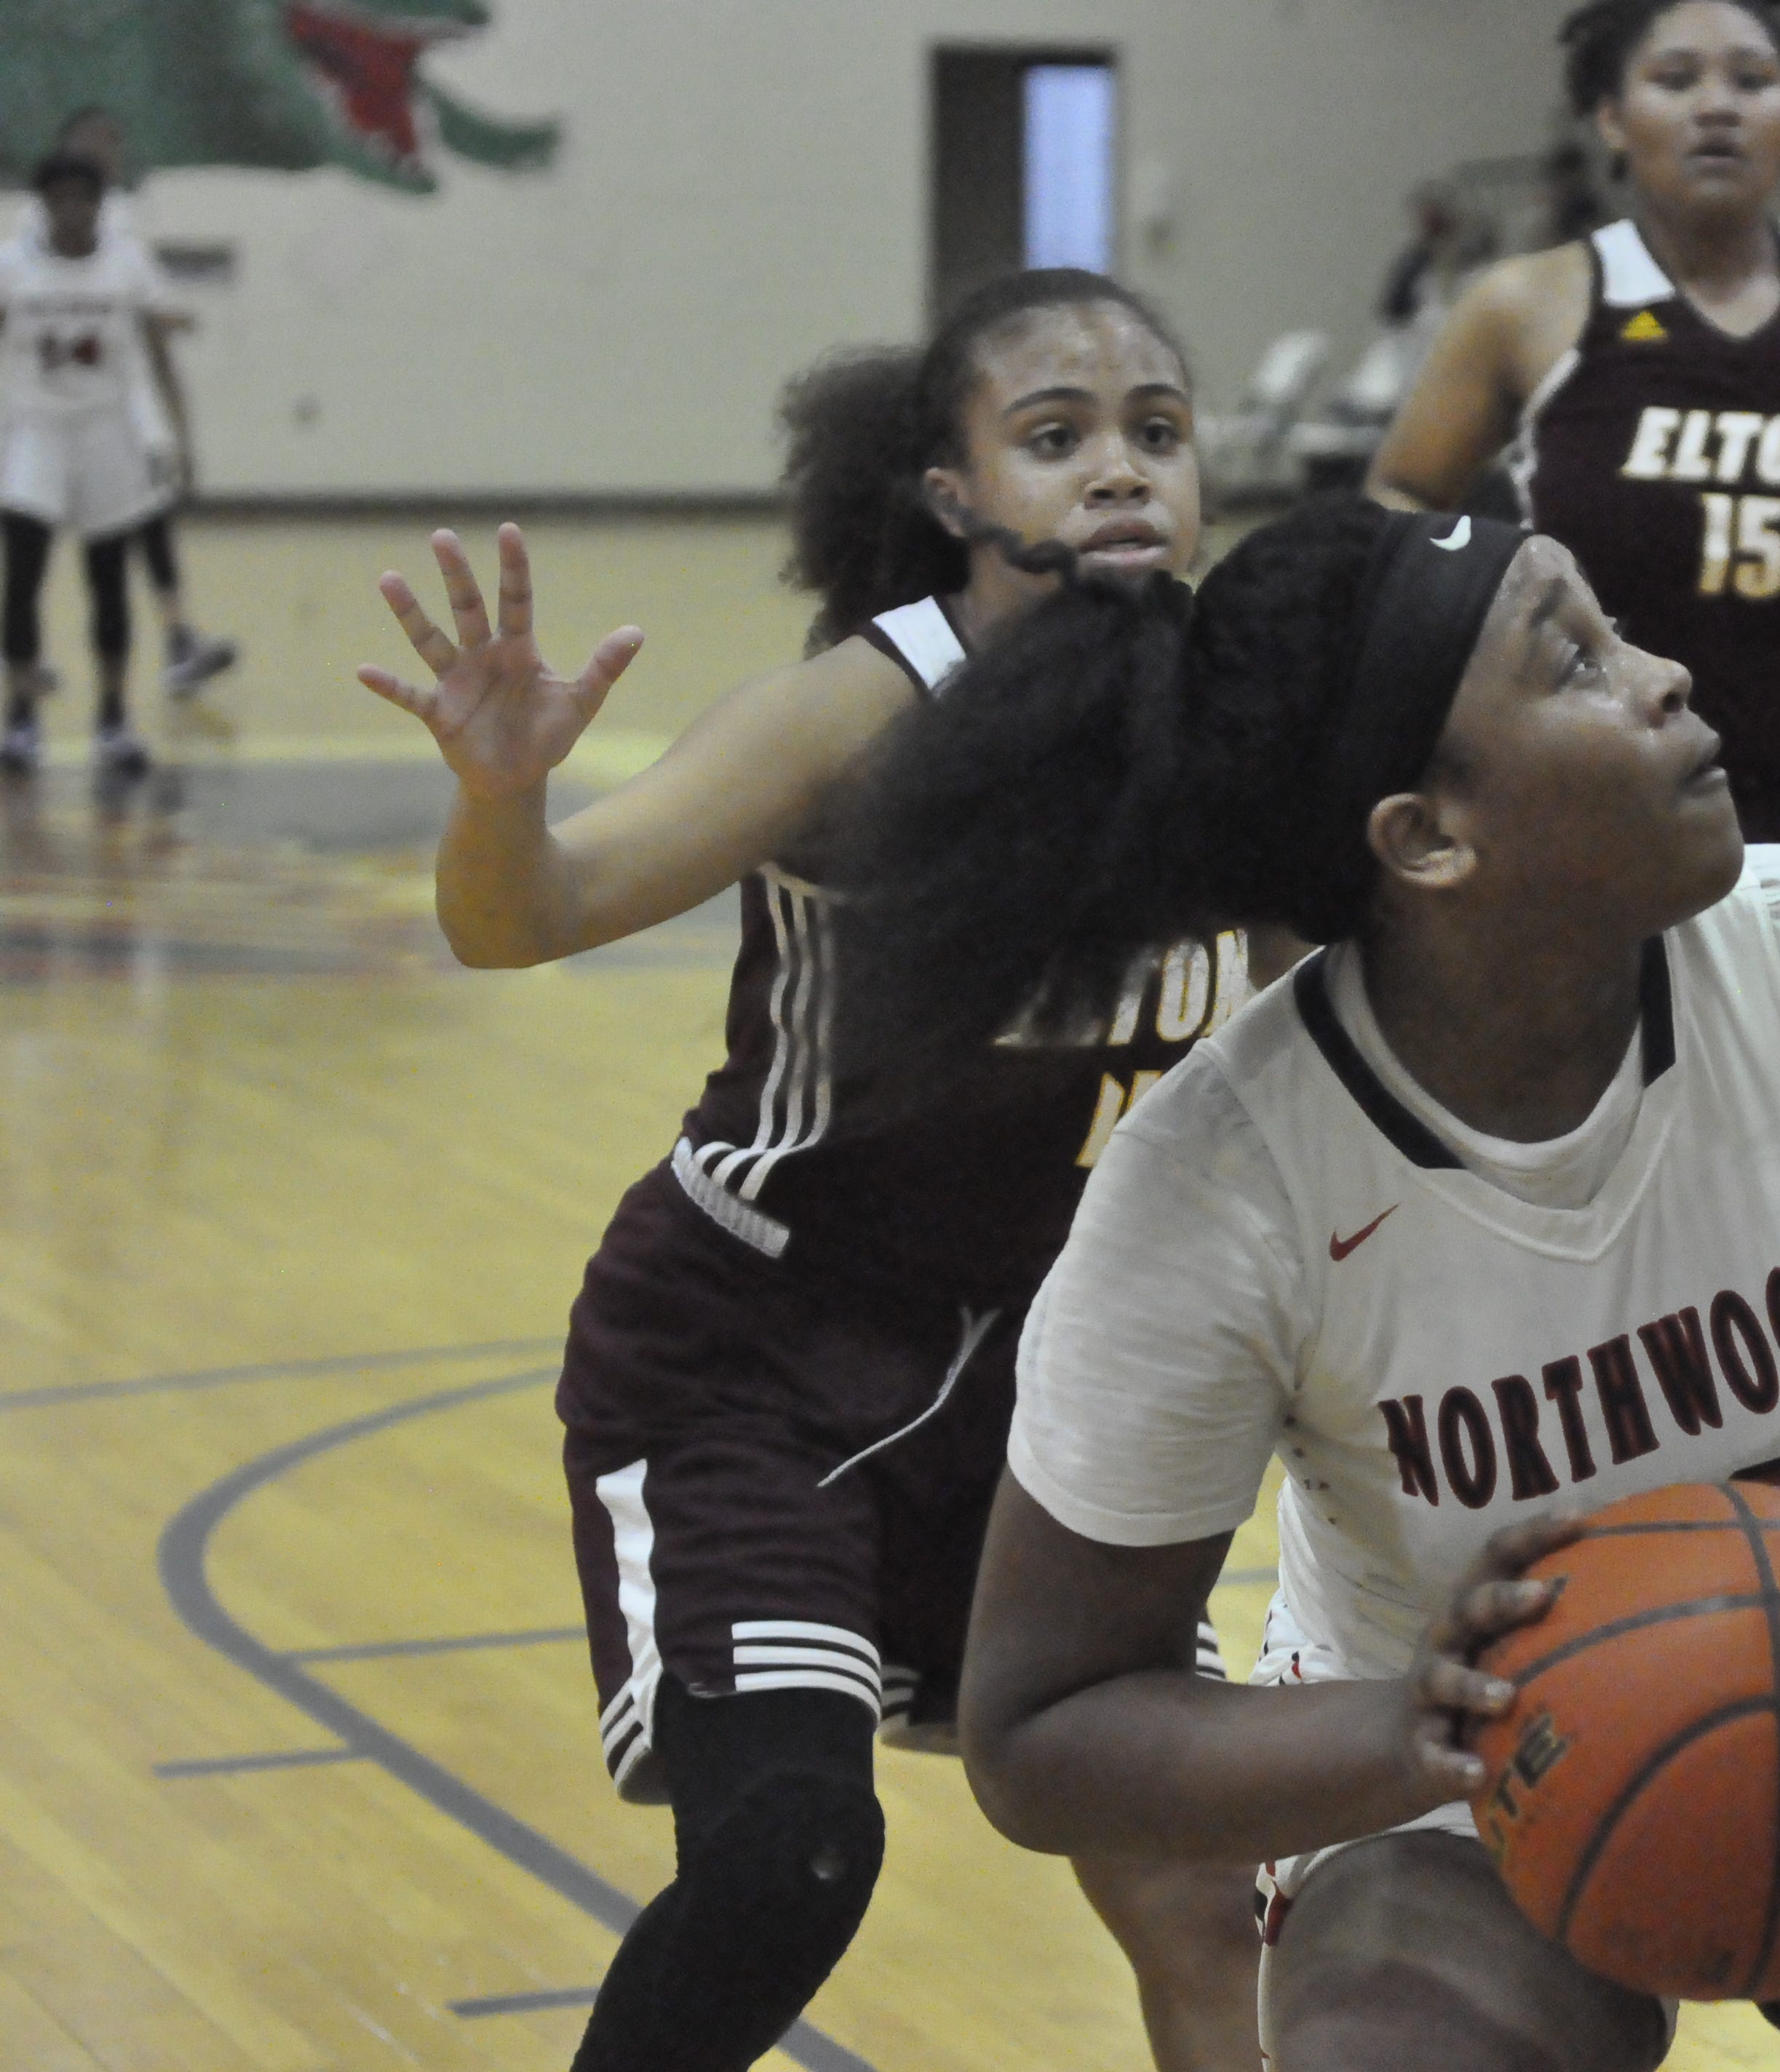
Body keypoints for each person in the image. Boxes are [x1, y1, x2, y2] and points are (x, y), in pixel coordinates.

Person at [836, 494, 1780, 2071]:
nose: (1664, 675)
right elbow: (1041, 1726)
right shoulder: (1222, 1185)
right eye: (1579, 662)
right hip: (1459, 1775)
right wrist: (1419, 1725)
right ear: (1425, 835)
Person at [351, 270, 1264, 2072]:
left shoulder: (1242, 742)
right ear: (947, 491)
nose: (1118, 473)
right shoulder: (856, 712)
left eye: (1155, 433)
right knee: (790, 1854)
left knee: (1199, 1896)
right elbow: (525, 918)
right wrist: (498, 800)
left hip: (1055, 1395)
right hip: (755, 1357)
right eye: (1057, 436)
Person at [1369, 0, 1780, 852]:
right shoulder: (1526, 304)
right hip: (1574, 812)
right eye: (1675, 80)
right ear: (1610, 117)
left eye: (1753, 81)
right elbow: (1400, 493)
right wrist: (1468, 635)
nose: (1718, 106)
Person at [12, 109, 239, 703]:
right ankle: (32, 672)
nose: (106, 152)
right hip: (51, 410)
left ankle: (173, 642)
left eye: (113, 143)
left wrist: (166, 324)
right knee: (37, 550)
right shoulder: (31, 241)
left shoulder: (124, 228)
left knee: (142, 522)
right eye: (94, 142)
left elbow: (152, 315)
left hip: (122, 401)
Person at [0, 152, 191, 778]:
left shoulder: (126, 262)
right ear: (45, 203)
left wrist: (174, 430)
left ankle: (113, 718)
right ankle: (22, 715)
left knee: (108, 578)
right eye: (63, 198)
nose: (75, 210)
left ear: (100, 205)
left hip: (106, 430)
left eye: (87, 198)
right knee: (23, 574)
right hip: (35, 428)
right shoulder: (13, 264)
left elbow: (158, 331)